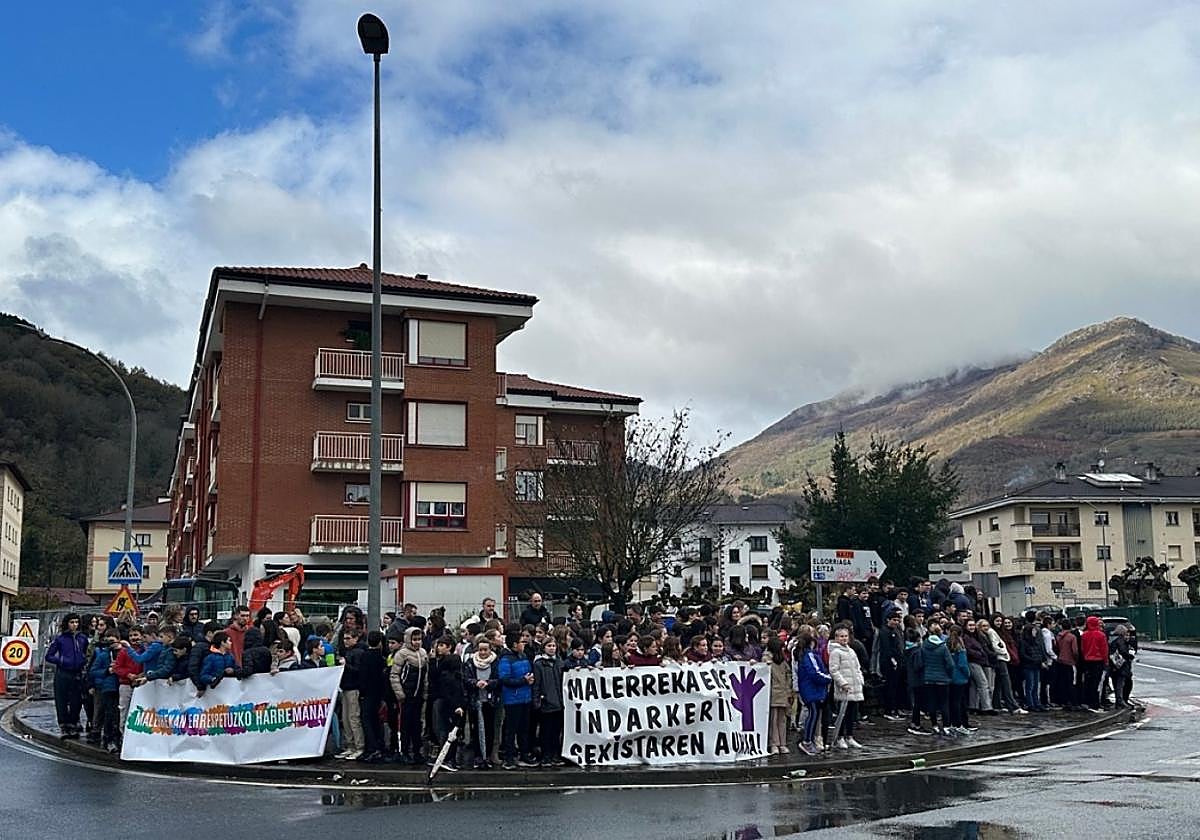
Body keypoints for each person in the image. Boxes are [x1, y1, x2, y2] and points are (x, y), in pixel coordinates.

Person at [46, 613, 89, 738]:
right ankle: (64, 725)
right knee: (62, 700)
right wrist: (61, 661)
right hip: (63, 673)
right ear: (67, 623)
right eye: (72, 622)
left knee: (76, 700)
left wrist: (83, 661)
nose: (74, 625)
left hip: (77, 673)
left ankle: (73, 723)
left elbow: (86, 653)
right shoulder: (60, 639)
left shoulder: (82, 638)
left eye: (76, 622)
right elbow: (49, 656)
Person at [390, 627, 429, 763]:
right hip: (406, 694)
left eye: (419, 639)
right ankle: (404, 751)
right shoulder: (402, 654)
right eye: (414, 639)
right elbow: (394, 675)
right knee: (405, 724)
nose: (417, 642)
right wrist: (400, 693)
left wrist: (425, 692)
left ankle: (417, 751)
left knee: (417, 724)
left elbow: (425, 676)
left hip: (418, 695)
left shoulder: (423, 653)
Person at [498, 631, 536, 769]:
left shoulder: (523, 656)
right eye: (522, 642)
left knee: (524, 728)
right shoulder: (506, 659)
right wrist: (523, 680)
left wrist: (530, 679)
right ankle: (509, 757)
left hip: (525, 697)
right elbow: (504, 679)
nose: (524, 644)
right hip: (513, 699)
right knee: (511, 729)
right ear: (514, 644)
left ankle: (524, 754)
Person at [464, 638, 501, 769]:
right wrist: (475, 683)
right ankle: (478, 756)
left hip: (490, 701)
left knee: (489, 730)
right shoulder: (470, 663)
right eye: (480, 650)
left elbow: (498, 679)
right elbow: (466, 679)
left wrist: (489, 684)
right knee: (476, 730)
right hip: (475, 700)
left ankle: (488, 755)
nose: (483, 652)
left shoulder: (495, 662)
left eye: (486, 649)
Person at [795, 627, 831, 755]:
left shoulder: (804, 655)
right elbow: (815, 673)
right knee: (813, 714)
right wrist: (828, 678)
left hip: (810, 689)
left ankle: (808, 740)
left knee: (814, 715)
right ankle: (807, 741)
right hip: (812, 690)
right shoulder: (809, 655)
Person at [827, 626, 864, 749]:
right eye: (841, 636)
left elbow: (857, 667)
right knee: (842, 713)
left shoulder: (851, 651)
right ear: (836, 637)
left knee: (851, 714)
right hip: (844, 688)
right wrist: (842, 683)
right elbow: (834, 670)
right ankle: (840, 737)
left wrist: (860, 680)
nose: (844, 638)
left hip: (854, 687)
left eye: (845, 636)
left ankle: (850, 736)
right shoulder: (835, 652)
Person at [532, 637, 565, 766]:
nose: (552, 648)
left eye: (553, 646)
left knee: (556, 731)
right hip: (546, 702)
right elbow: (536, 685)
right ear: (544, 648)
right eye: (549, 646)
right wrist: (537, 701)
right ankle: (546, 756)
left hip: (558, 702)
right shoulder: (539, 664)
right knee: (546, 731)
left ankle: (555, 755)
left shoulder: (559, 662)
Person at [88, 632, 123, 753]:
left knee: (120, 715)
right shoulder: (103, 655)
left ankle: (119, 738)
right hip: (109, 687)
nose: (110, 644)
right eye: (108, 641)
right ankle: (109, 739)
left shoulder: (125, 652)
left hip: (123, 685)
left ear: (119, 640)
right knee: (110, 714)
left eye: (113, 641)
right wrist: (107, 671)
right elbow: (93, 671)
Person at [336, 628, 366, 760]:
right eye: (344, 638)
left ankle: (359, 746)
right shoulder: (348, 652)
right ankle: (351, 745)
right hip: (346, 687)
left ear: (355, 638)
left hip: (353, 688)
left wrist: (346, 665)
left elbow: (358, 671)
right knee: (347, 718)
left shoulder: (358, 652)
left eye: (348, 638)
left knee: (353, 718)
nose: (345, 641)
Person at [921, 622, 954, 736]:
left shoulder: (924, 645)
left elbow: (922, 661)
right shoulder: (943, 647)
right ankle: (946, 726)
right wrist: (948, 674)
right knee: (944, 703)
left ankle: (934, 725)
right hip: (942, 679)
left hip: (928, 678)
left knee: (932, 703)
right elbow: (950, 664)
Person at [763, 637, 794, 755]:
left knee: (782, 719)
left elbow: (788, 675)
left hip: (783, 692)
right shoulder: (767, 659)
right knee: (773, 719)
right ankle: (774, 743)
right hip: (772, 693)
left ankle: (782, 743)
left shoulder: (783, 661)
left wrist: (788, 689)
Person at [946, 626, 975, 735]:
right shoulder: (960, 649)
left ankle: (952, 723)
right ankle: (959, 724)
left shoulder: (946, 646)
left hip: (949, 678)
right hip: (960, 678)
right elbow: (963, 665)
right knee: (959, 702)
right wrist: (968, 674)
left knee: (952, 701)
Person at [1079, 615, 1110, 712]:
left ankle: (1087, 701)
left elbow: (1082, 648)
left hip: (1087, 661)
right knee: (1097, 683)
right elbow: (1104, 650)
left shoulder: (1084, 635)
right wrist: (1106, 661)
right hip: (1098, 661)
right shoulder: (1101, 635)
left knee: (1088, 682)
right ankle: (1095, 703)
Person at [1019, 623, 1048, 712]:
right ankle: (1030, 703)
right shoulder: (1023, 642)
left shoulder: (1036, 641)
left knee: (1036, 685)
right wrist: (1034, 660)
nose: (1035, 632)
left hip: (1036, 665)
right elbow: (1023, 654)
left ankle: (1037, 703)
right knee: (1030, 686)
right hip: (1029, 666)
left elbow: (1040, 651)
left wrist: (1042, 660)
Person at [1109, 624, 1134, 708]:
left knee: (1117, 683)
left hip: (1115, 666)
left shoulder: (1114, 641)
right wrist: (1130, 656)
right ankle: (1120, 701)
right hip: (1121, 666)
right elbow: (1124, 652)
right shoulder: (1120, 641)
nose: (1128, 636)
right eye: (1126, 634)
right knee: (1121, 684)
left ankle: (1120, 701)